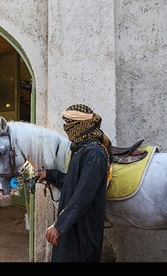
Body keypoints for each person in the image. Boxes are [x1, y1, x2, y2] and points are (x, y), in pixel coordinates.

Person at [36, 104, 112, 262]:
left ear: (81, 125)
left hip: (83, 233)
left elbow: (82, 196)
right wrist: (49, 174)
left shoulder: (95, 153)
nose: (65, 128)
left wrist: (59, 225)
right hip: (71, 229)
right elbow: (72, 183)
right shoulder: (80, 150)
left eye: (69, 123)